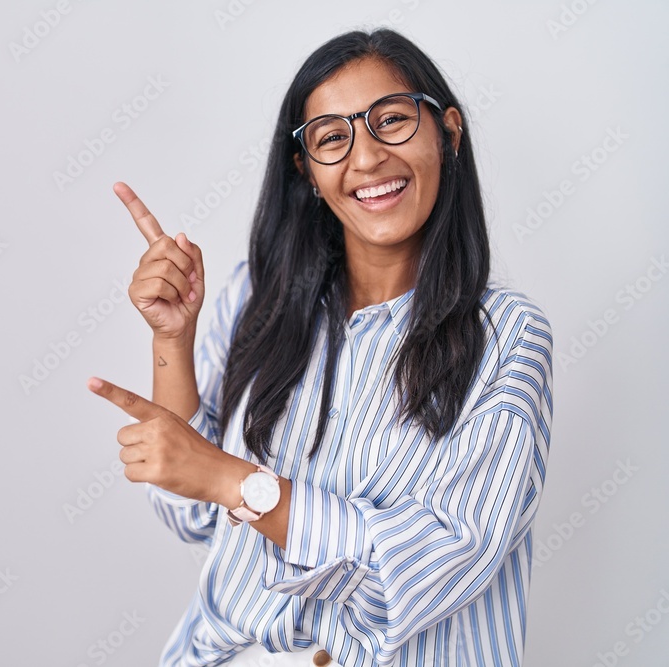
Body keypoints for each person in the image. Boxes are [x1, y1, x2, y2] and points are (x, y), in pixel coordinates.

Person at [87, 27, 553, 667]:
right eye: (333, 137)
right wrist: (172, 338)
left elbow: (437, 564)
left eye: (390, 120)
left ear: (446, 132)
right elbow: (191, 512)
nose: (365, 159)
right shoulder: (260, 295)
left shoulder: (506, 337)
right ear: (306, 170)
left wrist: (233, 479)